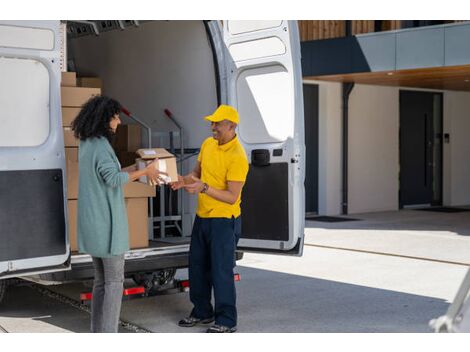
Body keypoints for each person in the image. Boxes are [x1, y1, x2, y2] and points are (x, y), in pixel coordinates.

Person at [71, 95, 164, 333]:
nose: (119, 122)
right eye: (115, 116)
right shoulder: (101, 146)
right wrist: (144, 172)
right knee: (113, 282)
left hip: (93, 224)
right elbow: (112, 180)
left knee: (101, 281)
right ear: (105, 118)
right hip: (107, 227)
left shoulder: (88, 143)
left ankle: (99, 333)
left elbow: (108, 172)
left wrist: (136, 168)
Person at [171, 105, 249, 333]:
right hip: (203, 218)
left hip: (225, 221)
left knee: (221, 271)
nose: (212, 127)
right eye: (212, 123)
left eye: (217, 123)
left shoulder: (238, 157)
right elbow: (196, 173)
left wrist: (203, 188)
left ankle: (226, 320)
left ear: (232, 126)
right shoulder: (208, 145)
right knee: (197, 267)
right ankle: (202, 312)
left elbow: (232, 197)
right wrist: (184, 181)